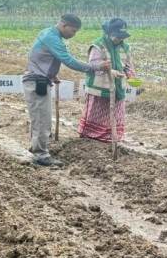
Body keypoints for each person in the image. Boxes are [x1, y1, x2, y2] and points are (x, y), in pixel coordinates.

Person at [23, 13, 111, 167]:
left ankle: (37, 150)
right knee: (42, 120)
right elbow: (69, 61)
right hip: (37, 82)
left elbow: (39, 57)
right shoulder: (53, 38)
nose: (73, 34)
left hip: (39, 79)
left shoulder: (47, 33)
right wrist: (97, 67)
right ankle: (40, 155)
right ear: (63, 25)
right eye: (73, 31)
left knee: (39, 118)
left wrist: (51, 74)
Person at [78, 18, 136, 142]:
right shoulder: (98, 46)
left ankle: (113, 137)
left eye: (122, 36)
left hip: (118, 86)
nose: (119, 39)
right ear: (109, 33)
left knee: (117, 112)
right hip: (99, 86)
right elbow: (94, 67)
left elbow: (128, 64)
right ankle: (91, 135)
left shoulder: (125, 47)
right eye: (117, 36)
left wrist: (131, 75)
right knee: (97, 112)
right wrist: (112, 72)